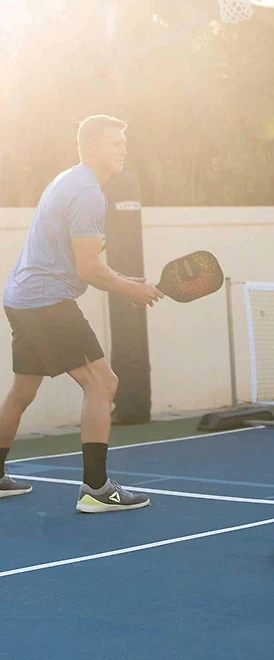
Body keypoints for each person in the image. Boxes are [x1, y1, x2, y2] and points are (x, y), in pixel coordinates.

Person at [0, 115, 164, 509]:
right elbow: (87, 269)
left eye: (124, 142)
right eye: (114, 143)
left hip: (21, 297)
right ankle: (96, 489)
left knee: (23, 390)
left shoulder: (68, 180)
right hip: (46, 301)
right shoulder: (88, 193)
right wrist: (130, 288)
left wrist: (123, 280)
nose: (123, 149)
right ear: (90, 147)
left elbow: (81, 260)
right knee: (102, 383)